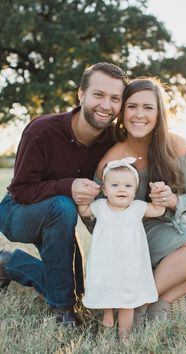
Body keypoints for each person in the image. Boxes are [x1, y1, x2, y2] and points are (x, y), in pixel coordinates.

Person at [95, 77, 186, 325]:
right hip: (137, 234)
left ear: (159, 112)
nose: (139, 115)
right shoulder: (112, 158)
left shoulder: (177, 146)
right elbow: (99, 213)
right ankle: (136, 303)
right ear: (122, 112)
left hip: (175, 226)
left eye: (148, 107)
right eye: (132, 106)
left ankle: (161, 300)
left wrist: (172, 200)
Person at [0, 62, 127, 327]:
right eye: (98, 95)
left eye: (115, 98)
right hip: (17, 212)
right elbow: (21, 190)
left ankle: (9, 262)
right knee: (62, 205)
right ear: (81, 94)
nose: (106, 105)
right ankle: (62, 310)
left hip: (60, 221)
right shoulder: (42, 131)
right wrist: (67, 186)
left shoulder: (112, 141)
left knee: (78, 290)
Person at [78, 157, 165, 339]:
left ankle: (124, 338)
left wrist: (158, 194)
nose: (121, 189)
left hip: (129, 263)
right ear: (104, 189)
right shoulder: (100, 206)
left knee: (128, 300)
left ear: (135, 190)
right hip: (105, 259)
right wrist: (84, 199)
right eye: (115, 185)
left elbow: (158, 211)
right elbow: (84, 211)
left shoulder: (138, 207)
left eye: (127, 186)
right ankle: (107, 312)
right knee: (105, 285)